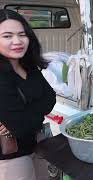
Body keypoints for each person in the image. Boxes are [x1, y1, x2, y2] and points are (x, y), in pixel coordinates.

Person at [0, 9, 56, 180]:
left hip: (37, 143)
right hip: (11, 155)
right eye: (7, 36)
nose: (17, 41)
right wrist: (28, 116)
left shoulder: (29, 66)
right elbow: (21, 126)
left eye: (22, 34)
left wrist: (25, 114)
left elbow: (51, 99)